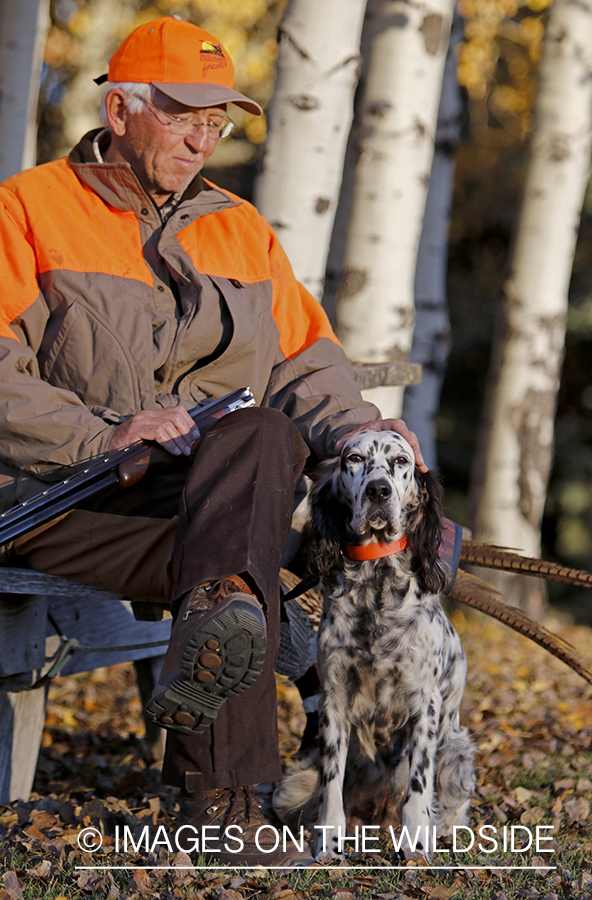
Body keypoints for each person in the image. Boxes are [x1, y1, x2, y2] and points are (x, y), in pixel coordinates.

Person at [0, 17, 426, 866]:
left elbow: (307, 361)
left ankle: (224, 797)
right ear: (120, 109)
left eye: (218, 119)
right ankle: (224, 807)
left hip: (205, 497)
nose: (204, 136)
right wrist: (104, 432)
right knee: (244, 555)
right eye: (184, 113)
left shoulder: (240, 227)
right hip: (60, 493)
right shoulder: (28, 208)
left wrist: (358, 430)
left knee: (258, 453)